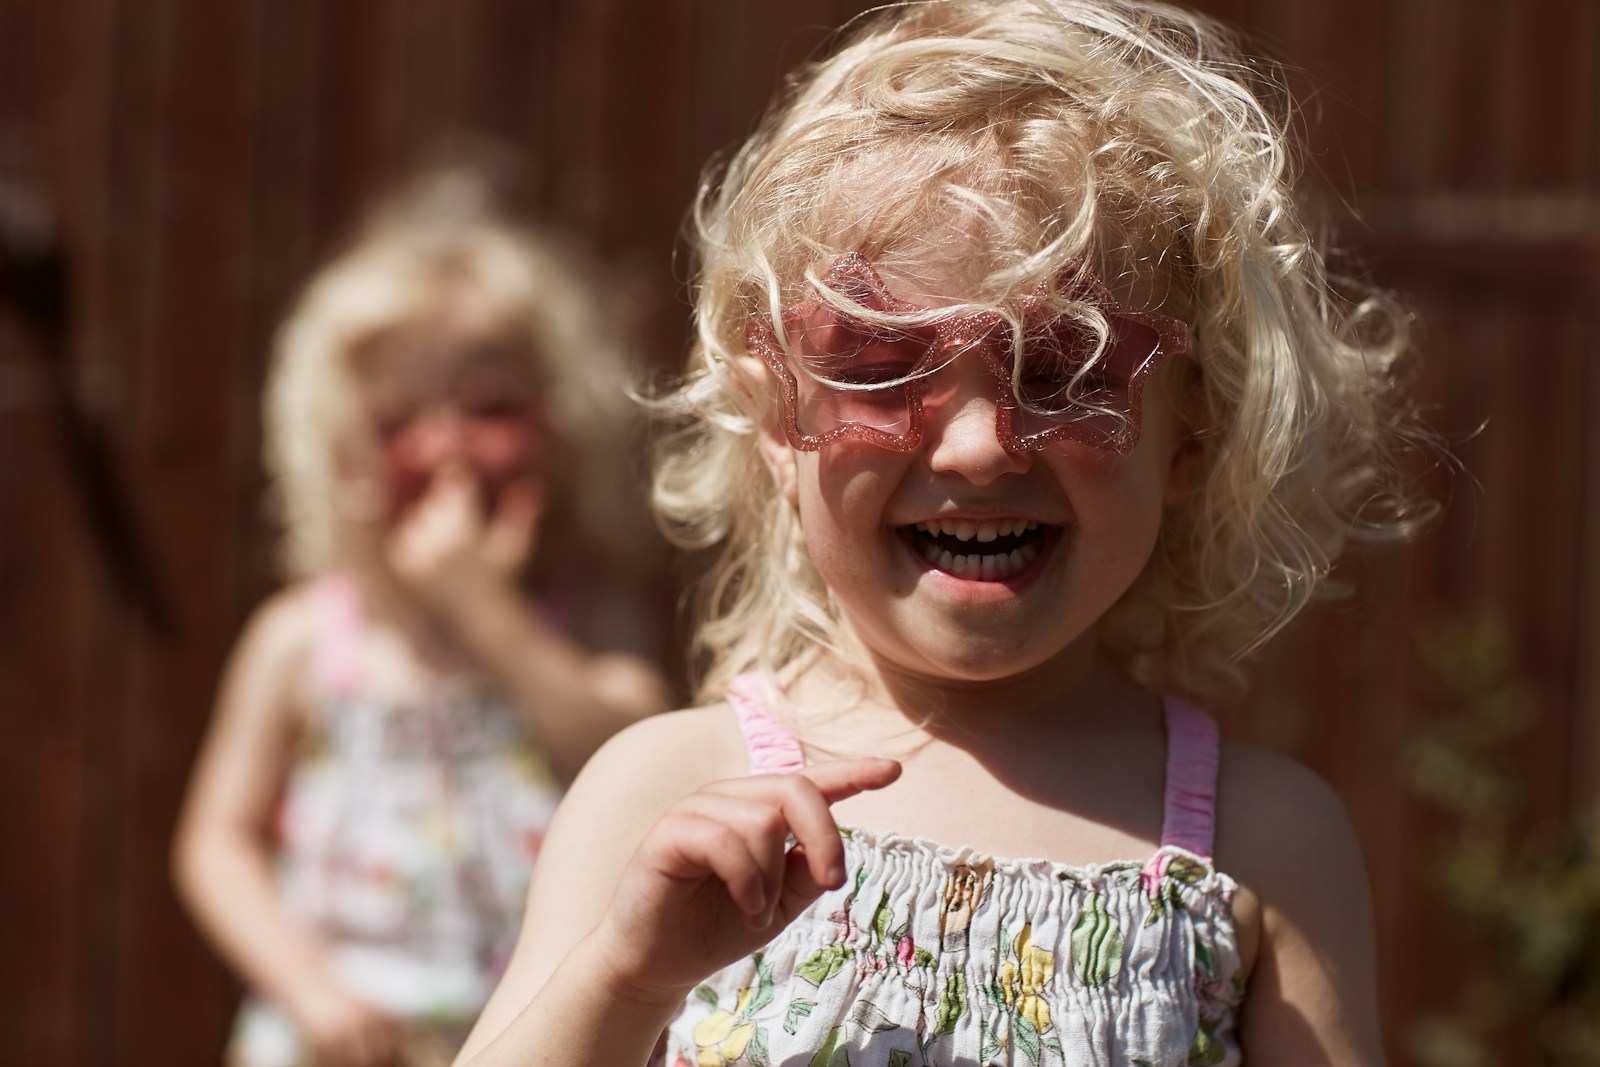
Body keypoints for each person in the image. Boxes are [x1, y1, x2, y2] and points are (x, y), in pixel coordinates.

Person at [455, 2, 1434, 1065]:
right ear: (779, 422)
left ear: (1190, 434)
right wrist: (623, 979)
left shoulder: (1259, 844)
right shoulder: (670, 792)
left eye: (1062, 369)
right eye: (881, 367)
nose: (977, 447)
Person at [173, 162, 669, 1067]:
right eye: (400, 418)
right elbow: (215, 840)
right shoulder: (304, 641)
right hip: (335, 1042)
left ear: (560, 430)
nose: (445, 446)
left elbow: (639, 756)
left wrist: (485, 612)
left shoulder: (583, 626)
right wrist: (308, 989)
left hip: (520, 1037)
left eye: (489, 408)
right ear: (344, 455)